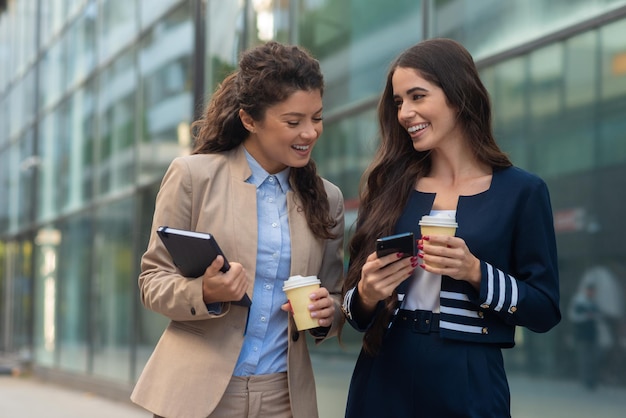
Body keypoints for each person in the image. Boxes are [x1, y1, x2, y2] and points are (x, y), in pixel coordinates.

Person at [341, 38, 561, 418]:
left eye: (417, 96)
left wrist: (475, 272)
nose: (405, 113)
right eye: (398, 102)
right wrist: (366, 292)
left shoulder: (522, 192)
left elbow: (544, 309)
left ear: (458, 95)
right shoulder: (388, 188)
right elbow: (353, 310)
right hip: (384, 372)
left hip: (470, 376)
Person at [131, 41, 345, 418]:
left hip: (285, 397)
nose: (310, 133)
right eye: (293, 122)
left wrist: (329, 311)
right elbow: (152, 281)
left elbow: (334, 294)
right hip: (197, 397)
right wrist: (205, 291)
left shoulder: (327, 199)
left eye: (317, 117)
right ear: (250, 120)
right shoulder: (193, 177)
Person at [569, 283, 602, 390]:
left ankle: (592, 381)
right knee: (584, 359)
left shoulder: (594, 303)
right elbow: (573, 316)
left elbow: (599, 317)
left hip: (592, 335)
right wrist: (586, 316)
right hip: (582, 335)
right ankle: (585, 380)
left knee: (593, 359)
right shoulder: (579, 302)